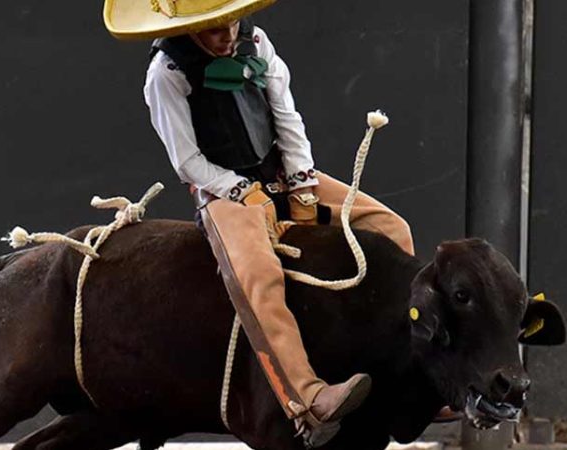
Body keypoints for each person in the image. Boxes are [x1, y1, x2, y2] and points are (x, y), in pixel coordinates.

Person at [104, 0, 415, 446]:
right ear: (188, 28)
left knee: (390, 227)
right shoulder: (166, 72)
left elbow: (287, 117)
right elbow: (187, 160)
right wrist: (238, 191)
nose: (226, 35)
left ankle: (412, 363)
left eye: (229, 22)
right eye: (212, 30)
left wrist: (303, 180)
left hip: (280, 173)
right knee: (258, 276)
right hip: (223, 193)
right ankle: (308, 398)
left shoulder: (257, 41)